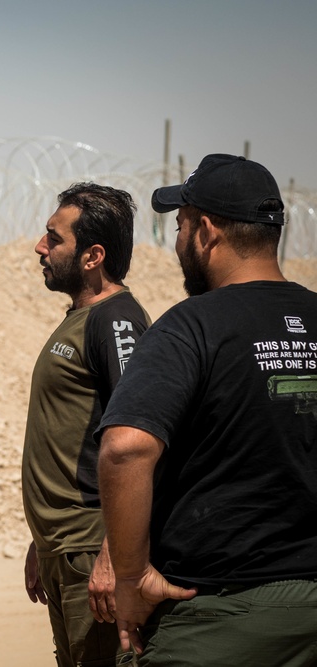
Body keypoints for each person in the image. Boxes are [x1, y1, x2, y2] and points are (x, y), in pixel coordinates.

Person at [98, 154, 317, 665]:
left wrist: (130, 577)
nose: (177, 242)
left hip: (220, 613)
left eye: (179, 225)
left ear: (206, 231)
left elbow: (126, 448)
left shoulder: (191, 327)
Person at [21, 182, 148, 666]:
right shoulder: (81, 317)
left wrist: (115, 553)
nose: (40, 247)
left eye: (54, 238)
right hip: (64, 550)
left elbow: (139, 442)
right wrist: (42, 541)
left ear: (93, 255)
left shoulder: (116, 322)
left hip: (91, 548)